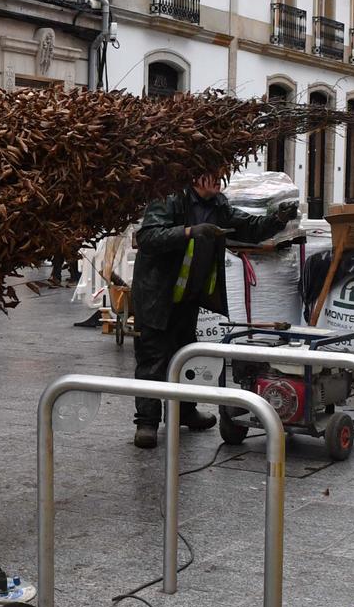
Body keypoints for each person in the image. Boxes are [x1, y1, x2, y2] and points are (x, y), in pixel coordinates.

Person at [128, 172, 301, 448]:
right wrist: (189, 232)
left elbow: (250, 228)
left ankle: (185, 412)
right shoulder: (169, 199)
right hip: (157, 297)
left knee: (186, 356)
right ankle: (147, 423)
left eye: (221, 174)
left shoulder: (218, 205)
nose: (218, 179)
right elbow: (148, 237)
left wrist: (278, 219)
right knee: (153, 359)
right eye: (211, 174)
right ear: (195, 178)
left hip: (187, 297)